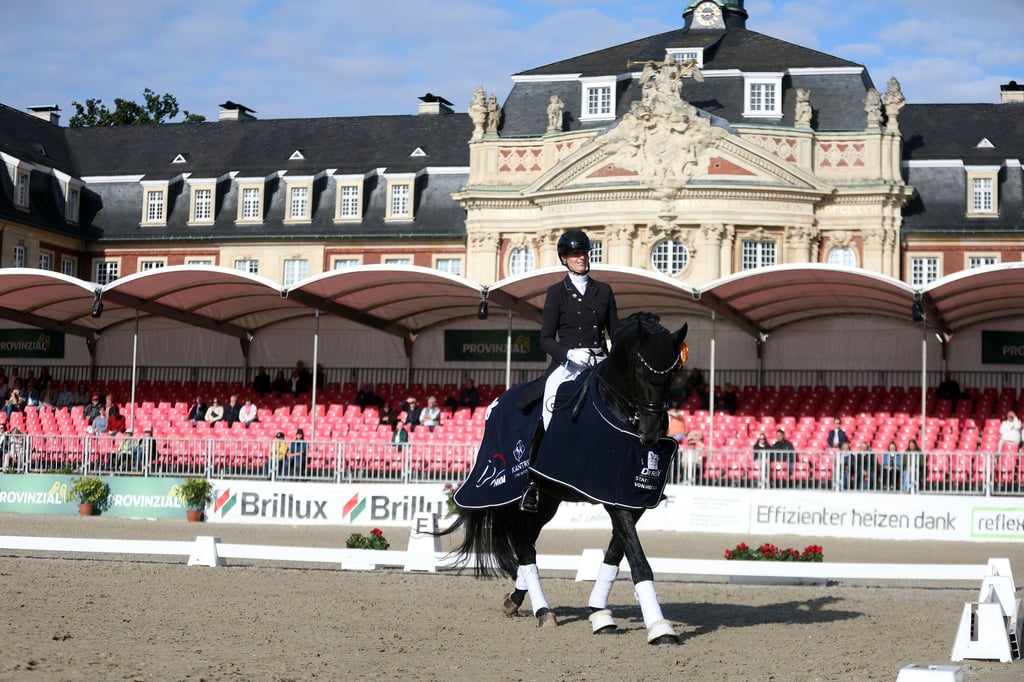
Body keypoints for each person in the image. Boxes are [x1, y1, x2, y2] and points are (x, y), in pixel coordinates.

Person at [521, 229, 619, 512]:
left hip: (599, 361)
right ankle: (534, 480)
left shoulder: (604, 291)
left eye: (585, 253)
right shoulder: (556, 293)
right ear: (564, 258)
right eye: (576, 254)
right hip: (568, 364)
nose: (582, 258)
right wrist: (568, 354)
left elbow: (616, 331)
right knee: (549, 407)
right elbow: (545, 339)